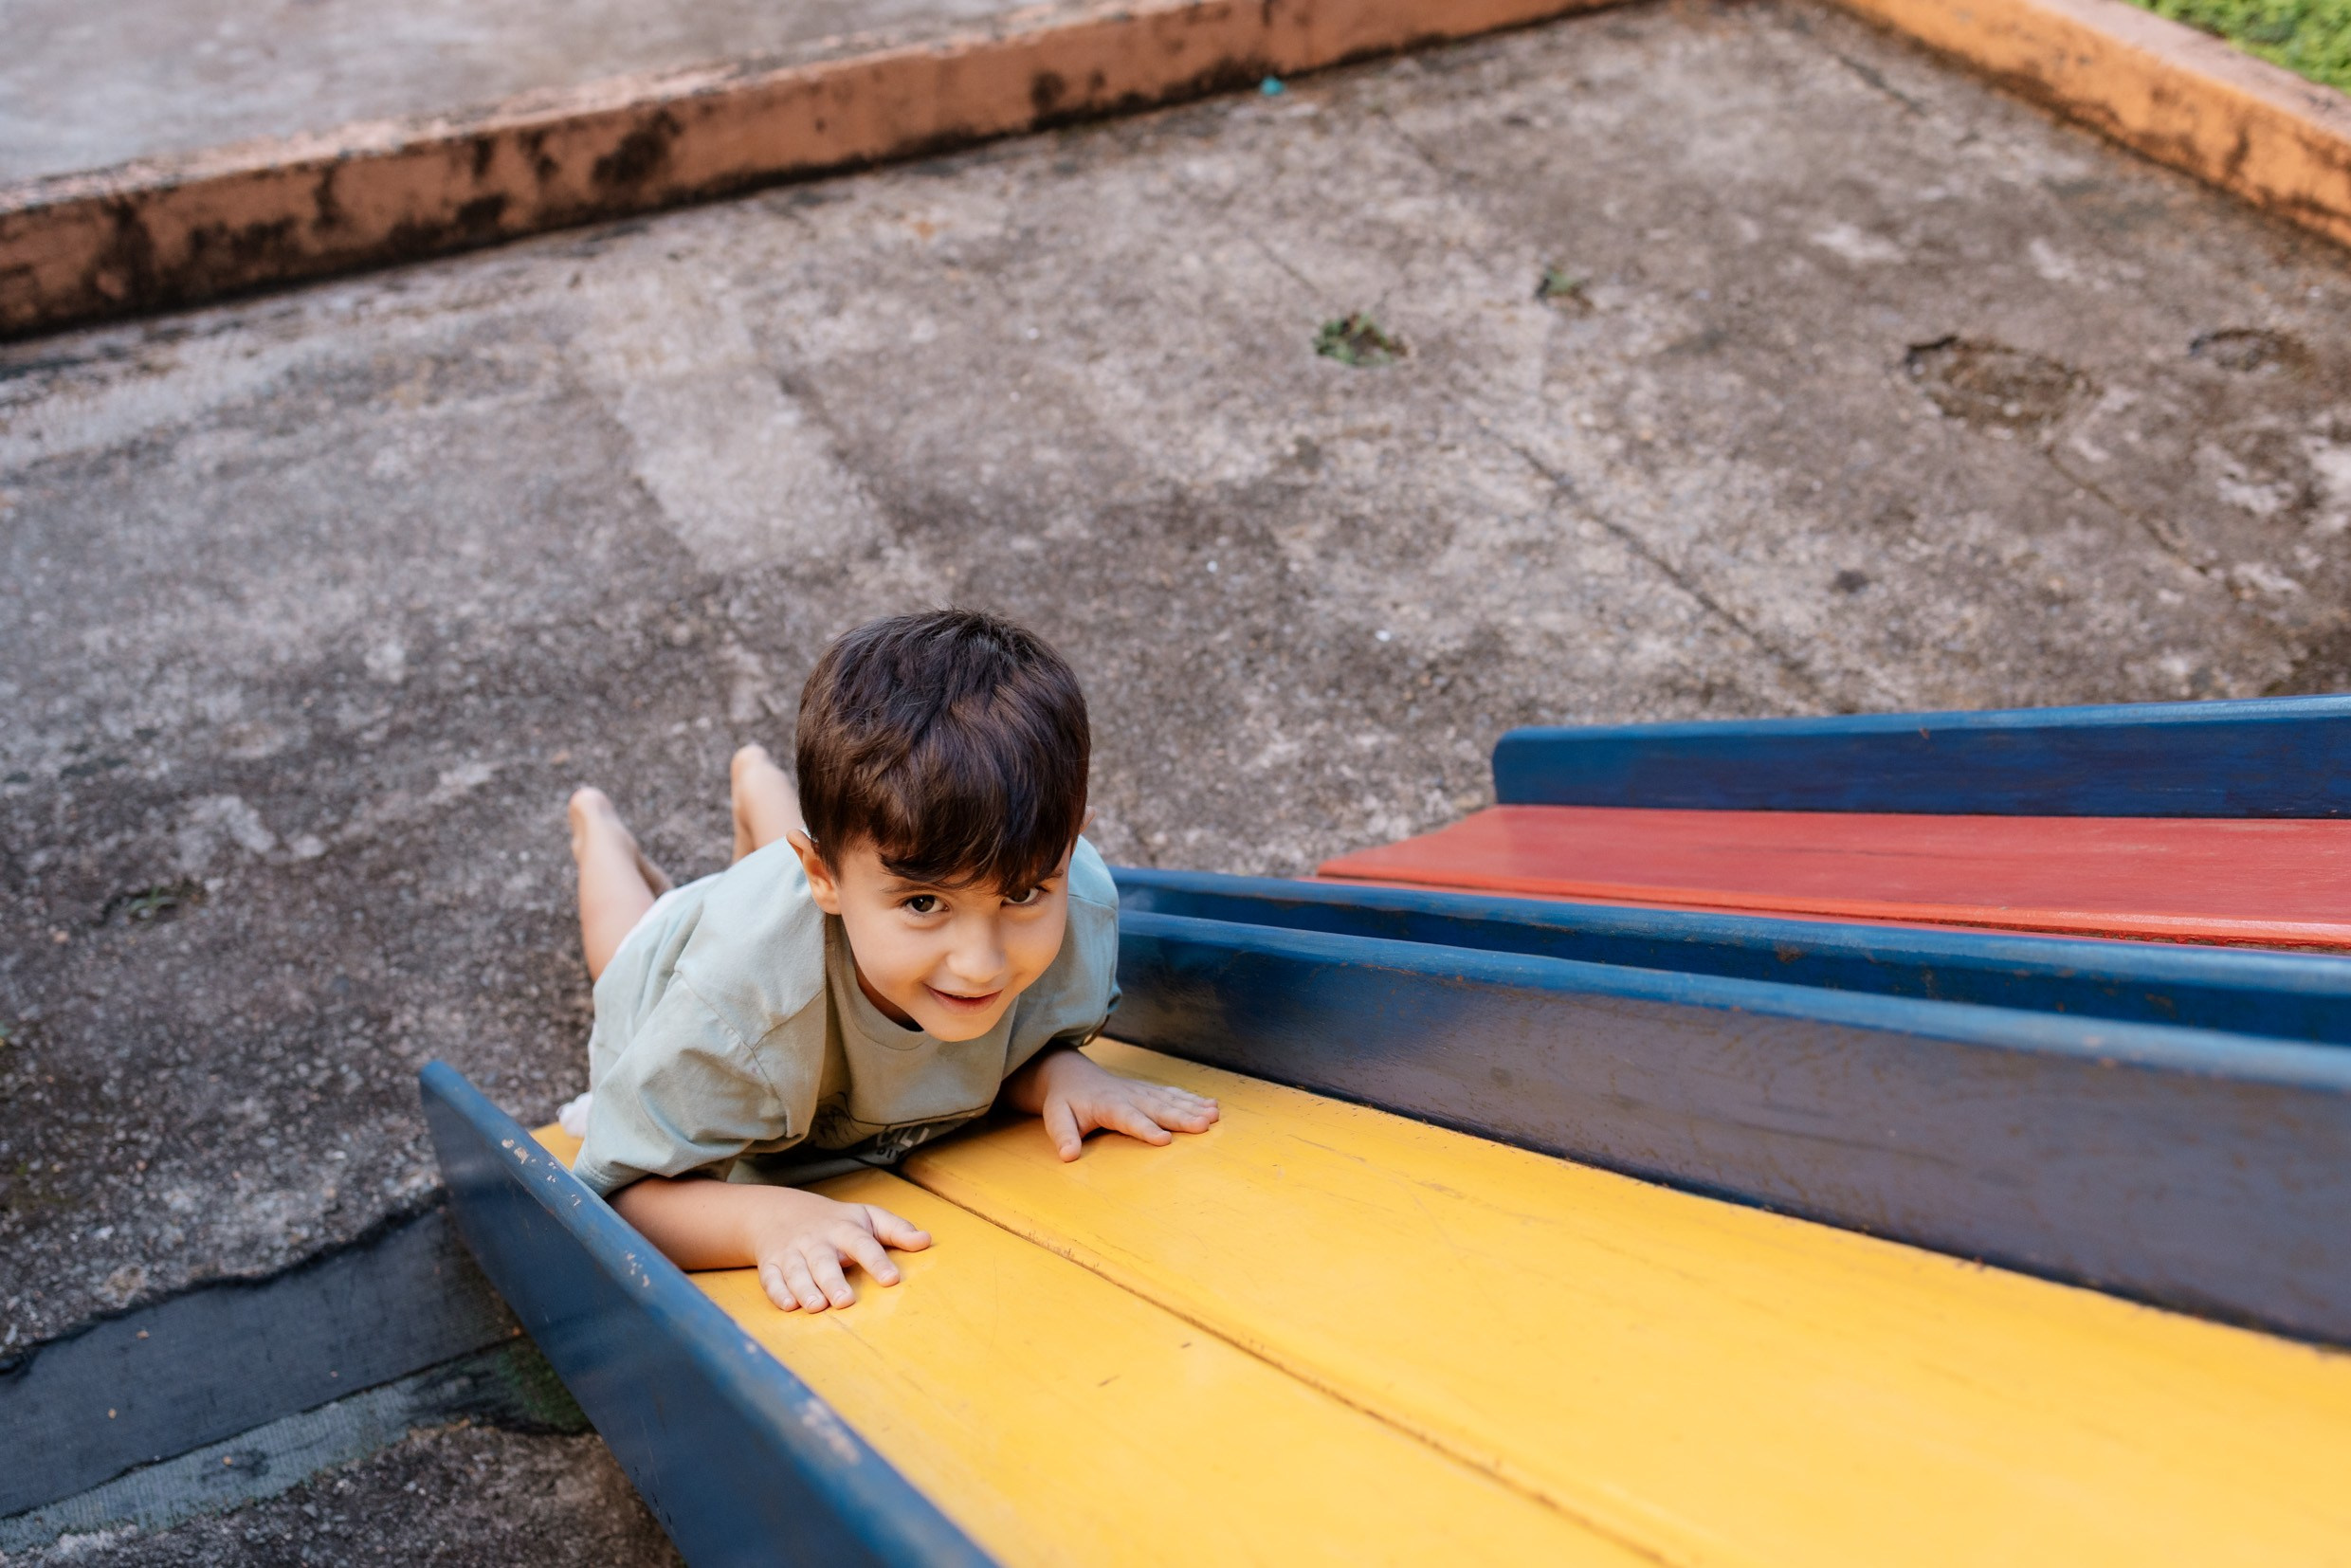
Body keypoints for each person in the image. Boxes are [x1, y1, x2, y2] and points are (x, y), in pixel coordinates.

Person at [559, 609, 1218, 1315]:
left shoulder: (1078, 905)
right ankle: (598, 827)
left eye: (1024, 892)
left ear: (1071, 846)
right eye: (925, 904)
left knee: (832, 862)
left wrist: (1062, 1073)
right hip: (684, 952)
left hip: (794, 903)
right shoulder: (732, 1010)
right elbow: (620, 1199)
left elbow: (1000, 1051)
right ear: (823, 877)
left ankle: (757, 785)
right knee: (624, 942)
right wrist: (762, 1221)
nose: (980, 966)